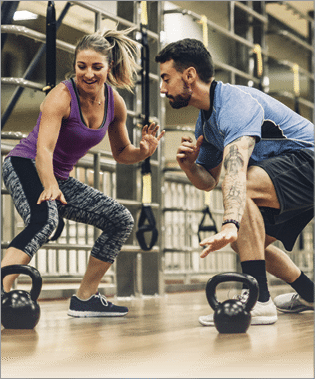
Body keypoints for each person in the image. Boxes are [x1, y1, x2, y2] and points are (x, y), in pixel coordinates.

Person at [1, 27, 164, 318]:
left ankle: (85, 298)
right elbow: (44, 151)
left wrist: (144, 152)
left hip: (59, 177)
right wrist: (50, 186)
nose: (88, 74)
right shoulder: (60, 96)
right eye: (81, 66)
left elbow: (121, 153)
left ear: (108, 67)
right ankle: (2, 289)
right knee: (44, 221)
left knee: (120, 219)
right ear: (74, 65)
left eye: (96, 67)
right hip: (25, 164)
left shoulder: (115, 103)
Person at [155, 38, 314, 326]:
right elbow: (208, 181)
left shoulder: (234, 104)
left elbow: (236, 170)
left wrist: (230, 222)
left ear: (189, 75)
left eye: (166, 78)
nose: (163, 88)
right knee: (246, 244)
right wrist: (190, 167)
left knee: (245, 188)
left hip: (308, 161)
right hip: (288, 176)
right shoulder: (206, 122)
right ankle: (309, 293)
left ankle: (258, 301)